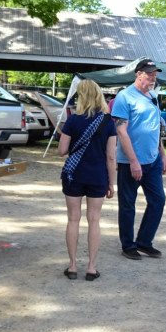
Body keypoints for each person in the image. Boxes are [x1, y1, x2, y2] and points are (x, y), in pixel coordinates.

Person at [58, 79, 117, 281]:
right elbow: (111, 156)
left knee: (73, 219)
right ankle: (92, 267)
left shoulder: (73, 120)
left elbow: (61, 151)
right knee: (94, 220)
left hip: (74, 175)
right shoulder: (108, 122)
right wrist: (111, 182)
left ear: (80, 96)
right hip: (98, 176)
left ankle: (72, 266)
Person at [113, 59, 166, 261]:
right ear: (139, 74)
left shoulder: (153, 96)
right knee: (128, 204)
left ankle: (145, 241)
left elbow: (155, 128)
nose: (154, 77)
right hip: (130, 162)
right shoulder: (124, 97)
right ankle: (128, 245)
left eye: (155, 74)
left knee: (158, 200)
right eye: (150, 74)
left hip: (152, 161)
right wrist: (134, 161)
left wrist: (162, 154)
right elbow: (121, 131)